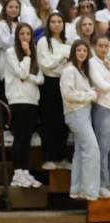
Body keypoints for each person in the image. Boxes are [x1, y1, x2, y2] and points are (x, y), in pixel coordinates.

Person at [5, 23, 44, 188]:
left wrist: (29, 76)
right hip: (17, 99)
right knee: (19, 137)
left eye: (28, 33)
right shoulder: (11, 52)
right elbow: (21, 73)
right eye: (22, 33)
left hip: (32, 99)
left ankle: (25, 171)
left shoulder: (35, 54)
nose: (26, 37)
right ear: (17, 35)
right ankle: (17, 172)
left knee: (27, 138)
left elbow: (40, 79)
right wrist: (27, 57)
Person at [60, 40, 100, 200]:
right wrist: (91, 94)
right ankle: (89, 192)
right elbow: (68, 94)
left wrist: (89, 92)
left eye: (84, 50)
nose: (82, 53)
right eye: (78, 50)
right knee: (92, 149)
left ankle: (76, 189)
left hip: (83, 113)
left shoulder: (81, 71)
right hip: (76, 113)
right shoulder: (69, 70)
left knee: (80, 151)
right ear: (73, 52)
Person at [37, 12, 72, 171]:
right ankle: (48, 157)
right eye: (53, 21)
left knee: (63, 121)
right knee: (49, 120)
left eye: (60, 21)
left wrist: (61, 60)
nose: (57, 24)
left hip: (65, 82)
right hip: (49, 83)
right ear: (49, 24)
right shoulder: (44, 41)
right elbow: (45, 64)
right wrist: (60, 58)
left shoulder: (67, 42)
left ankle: (61, 157)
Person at [90, 35, 110, 199]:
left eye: (106, 46)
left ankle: (107, 182)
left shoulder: (108, 63)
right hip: (101, 108)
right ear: (95, 47)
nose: (103, 49)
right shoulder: (92, 63)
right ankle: (101, 185)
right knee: (102, 149)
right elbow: (101, 86)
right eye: (101, 46)